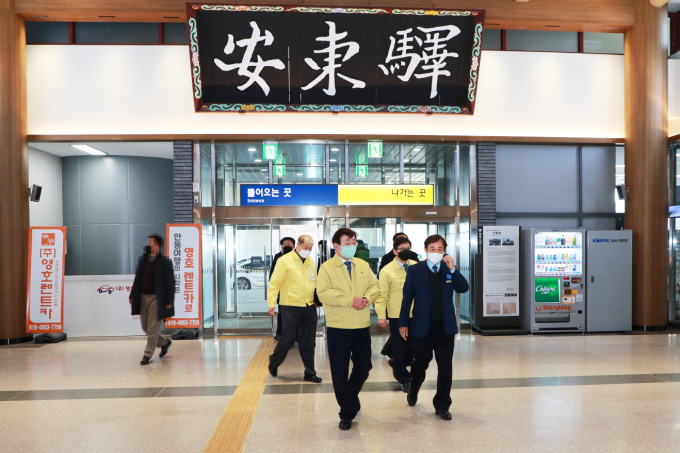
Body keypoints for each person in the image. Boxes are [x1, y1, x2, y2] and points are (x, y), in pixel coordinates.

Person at [399, 234, 469, 421]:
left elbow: (463, 288)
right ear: (426, 250)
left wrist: (453, 268)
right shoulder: (415, 270)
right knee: (420, 364)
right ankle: (413, 389)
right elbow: (407, 299)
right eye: (433, 248)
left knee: (445, 367)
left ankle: (442, 405)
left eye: (440, 249)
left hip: (445, 328)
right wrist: (403, 323)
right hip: (422, 328)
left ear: (444, 251)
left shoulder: (448, 269)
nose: (436, 252)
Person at [317, 228, 380, 431]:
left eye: (354, 242)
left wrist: (367, 299)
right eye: (348, 242)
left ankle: (350, 397)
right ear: (337, 246)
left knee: (364, 366)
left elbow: (375, 286)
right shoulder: (326, 268)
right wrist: (349, 300)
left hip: (361, 325)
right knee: (339, 371)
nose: (352, 245)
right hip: (339, 326)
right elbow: (323, 294)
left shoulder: (362, 264)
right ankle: (346, 412)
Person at [267, 235, 322, 383]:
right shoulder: (284, 260)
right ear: (297, 245)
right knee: (288, 338)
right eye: (306, 248)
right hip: (290, 305)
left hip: (309, 305)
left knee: (308, 341)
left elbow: (315, 281)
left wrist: (317, 299)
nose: (308, 251)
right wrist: (272, 303)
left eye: (310, 248)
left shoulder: (310, 261)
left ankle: (310, 372)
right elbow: (274, 283)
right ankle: (274, 361)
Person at [375, 236, 418, 392]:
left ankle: (398, 363)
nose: (405, 251)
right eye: (401, 249)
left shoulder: (416, 266)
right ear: (394, 251)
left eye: (408, 248)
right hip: (397, 314)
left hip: (416, 313)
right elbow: (382, 295)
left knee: (415, 347)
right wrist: (381, 316)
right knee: (399, 347)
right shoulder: (387, 270)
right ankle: (404, 379)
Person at [129, 234, 175, 365]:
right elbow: (137, 278)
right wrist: (132, 295)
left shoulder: (165, 262)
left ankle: (147, 355)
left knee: (153, 329)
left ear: (158, 246)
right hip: (143, 297)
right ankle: (164, 343)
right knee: (145, 327)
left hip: (157, 299)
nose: (148, 244)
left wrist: (169, 301)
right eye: (148, 242)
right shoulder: (143, 260)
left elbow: (170, 283)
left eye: (151, 242)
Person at [270, 237, 295, 340]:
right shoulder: (278, 257)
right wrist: (276, 292)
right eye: (285, 245)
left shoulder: (298, 257)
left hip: (295, 291)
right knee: (283, 313)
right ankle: (280, 333)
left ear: (294, 246)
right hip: (282, 291)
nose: (287, 247)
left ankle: (295, 335)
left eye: (289, 245)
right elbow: (273, 275)